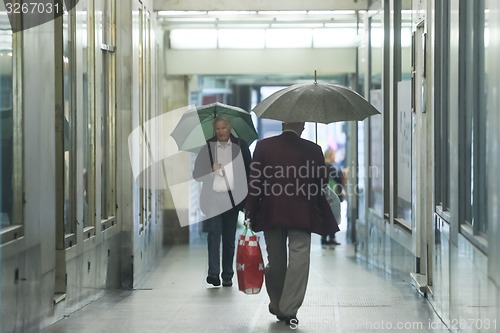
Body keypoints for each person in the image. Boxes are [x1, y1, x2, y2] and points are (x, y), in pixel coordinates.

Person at [245, 122, 339, 327]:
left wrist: (250, 211)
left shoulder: (263, 146)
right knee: (299, 259)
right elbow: (322, 182)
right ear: (302, 127)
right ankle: (289, 308)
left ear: (282, 125)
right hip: (302, 214)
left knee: (276, 261)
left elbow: (255, 182)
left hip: (272, 212)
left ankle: (278, 305)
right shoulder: (313, 149)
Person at [193, 117, 252, 287]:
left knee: (228, 238)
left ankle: (227, 274)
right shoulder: (207, 148)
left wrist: (249, 201)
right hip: (213, 198)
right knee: (213, 235)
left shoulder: (241, 146)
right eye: (217, 128)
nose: (220, 131)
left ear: (230, 127)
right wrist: (210, 170)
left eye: (224, 128)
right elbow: (197, 174)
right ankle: (213, 273)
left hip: (233, 198)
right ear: (214, 129)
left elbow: (251, 173)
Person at [321, 148, 346, 246]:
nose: (335, 157)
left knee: (326, 216)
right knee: (333, 216)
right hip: (332, 195)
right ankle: (331, 237)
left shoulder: (322, 166)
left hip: (325, 195)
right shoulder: (330, 167)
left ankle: (324, 237)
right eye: (333, 155)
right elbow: (338, 179)